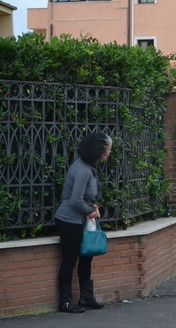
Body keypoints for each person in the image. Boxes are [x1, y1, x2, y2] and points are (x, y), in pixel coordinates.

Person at [55, 132, 112, 313]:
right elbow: (75, 201)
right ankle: (65, 302)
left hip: (81, 220)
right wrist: (91, 211)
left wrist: (92, 205)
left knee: (86, 257)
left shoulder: (88, 167)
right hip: (69, 220)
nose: (109, 153)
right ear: (99, 150)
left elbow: (87, 196)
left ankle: (86, 298)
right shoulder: (82, 170)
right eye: (108, 149)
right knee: (69, 260)